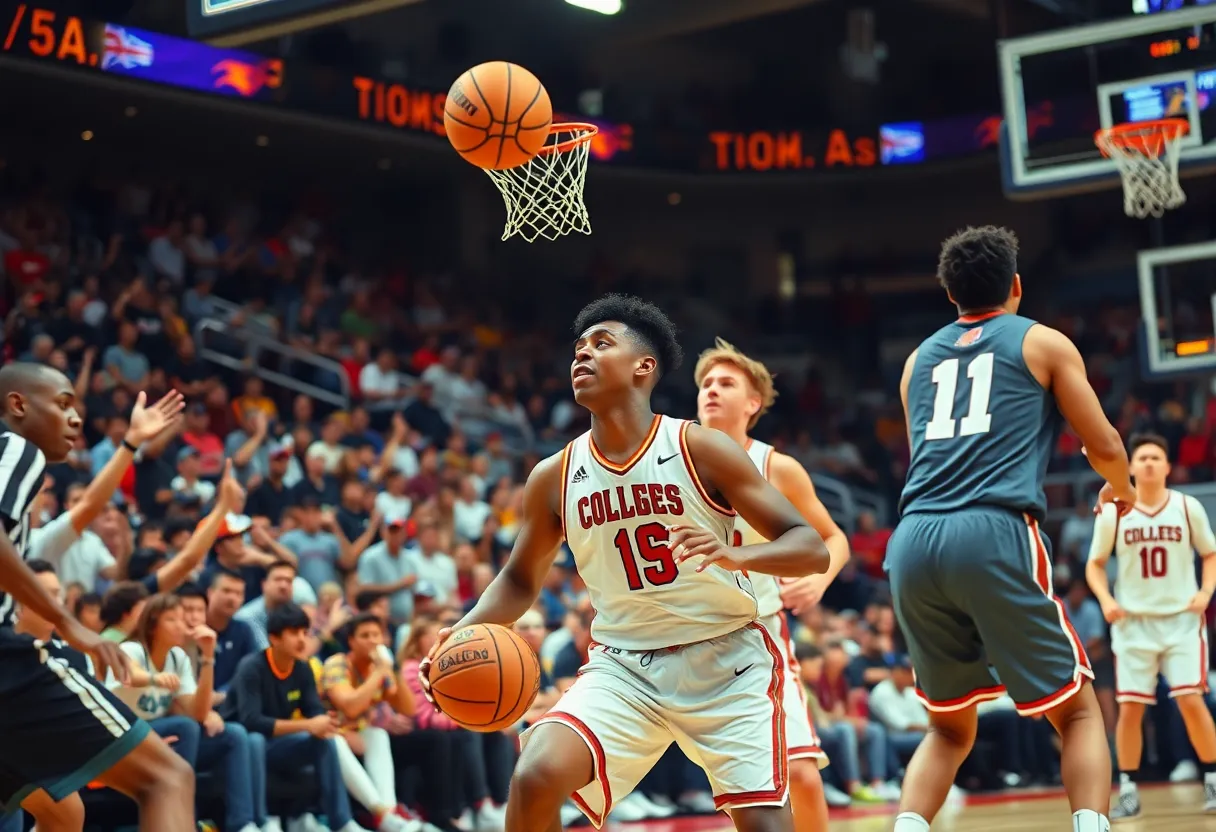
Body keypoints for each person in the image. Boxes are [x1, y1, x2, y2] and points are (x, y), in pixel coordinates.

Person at [420, 294, 829, 832]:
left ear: (644, 366)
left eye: (601, 343)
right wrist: (460, 633)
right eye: (578, 348)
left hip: (727, 660)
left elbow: (811, 547)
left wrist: (736, 554)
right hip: (625, 665)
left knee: (766, 825)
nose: (582, 354)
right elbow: (519, 578)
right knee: (535, 775)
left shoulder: (700, 449)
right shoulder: (553, 476)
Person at [887, 227, 1135, 832]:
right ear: (1016, 285)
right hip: (992, 529)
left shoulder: (917, 362)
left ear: (950, 294)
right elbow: (1103, 444)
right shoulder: (1042, 341)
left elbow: (927, 457)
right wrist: (1123, 489)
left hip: (913, 539)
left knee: (947, 728)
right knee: (1078, 713)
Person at [0, 364, 195, 831]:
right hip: (9, 665)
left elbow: (88, 506)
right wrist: (69, 624)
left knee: (64, 812)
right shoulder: (17, 450)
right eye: (63, 404)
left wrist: (131, 444)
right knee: (167, 778)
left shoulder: (31, 525)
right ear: (18, 404)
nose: (76, 418)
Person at [695, 337, 852, 830]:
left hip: (757, 634)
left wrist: (819, 581)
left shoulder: (777, 468)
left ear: (753, 403)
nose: (711, 390)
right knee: (740, 794)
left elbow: (833, 537)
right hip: (683, 638)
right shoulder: (670, 461)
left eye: (725, 383)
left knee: (800, 774)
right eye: (705, 383)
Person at [1085, 432, 1216, 819]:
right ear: (1130, 466)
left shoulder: (1187, 506)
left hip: (1181, 621)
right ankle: (1128, 790)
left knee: (1191, 701)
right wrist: (1106, 600)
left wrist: (1206, 591)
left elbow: (1210, 554)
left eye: (1155, 457)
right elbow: (1094, 564)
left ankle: (1212, 779)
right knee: (1130, 709)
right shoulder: (1114, 510)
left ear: (1168, 466)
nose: (1148, 463)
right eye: (1141, 457)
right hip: (1134, 623)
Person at [107, 593, 266, 832]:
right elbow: (128, 675)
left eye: (182, 619)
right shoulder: (132, 648)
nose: (182, 625)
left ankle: (242, 824)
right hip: (124, 736)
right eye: (172, 619)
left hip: (160, 735)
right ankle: (184, 822)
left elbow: (198, 713)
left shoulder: (177, 657)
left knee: (234, 735)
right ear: (152, 625)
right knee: (184, 726)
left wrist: (208, 657)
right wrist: (155, 679)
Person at [222, 603, 372, 832]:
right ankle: (262, 822)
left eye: (305, 632)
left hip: (278, 744)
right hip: (243, 745)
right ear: (274, 638)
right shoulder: (251, 667)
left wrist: (327, 723)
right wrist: (309, 725)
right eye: (294, 633)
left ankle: (342, 822)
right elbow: (252, 722)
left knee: (326, 741)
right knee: (255, 740)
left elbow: (315, 712)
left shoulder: (302, 668)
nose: (302, 639)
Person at [322, 612, 418, 832]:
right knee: (335, 741)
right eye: (365, 636)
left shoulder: (379, 668)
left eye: (376, 635)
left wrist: (393, 669)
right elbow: (350, 707)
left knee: (378, 735)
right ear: (351, 641)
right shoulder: (337, 664)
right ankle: (380, 812)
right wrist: (381, 671)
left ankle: (390, 814)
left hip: (358, 733)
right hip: (328, 733)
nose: (373, 641)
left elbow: (408, 709)